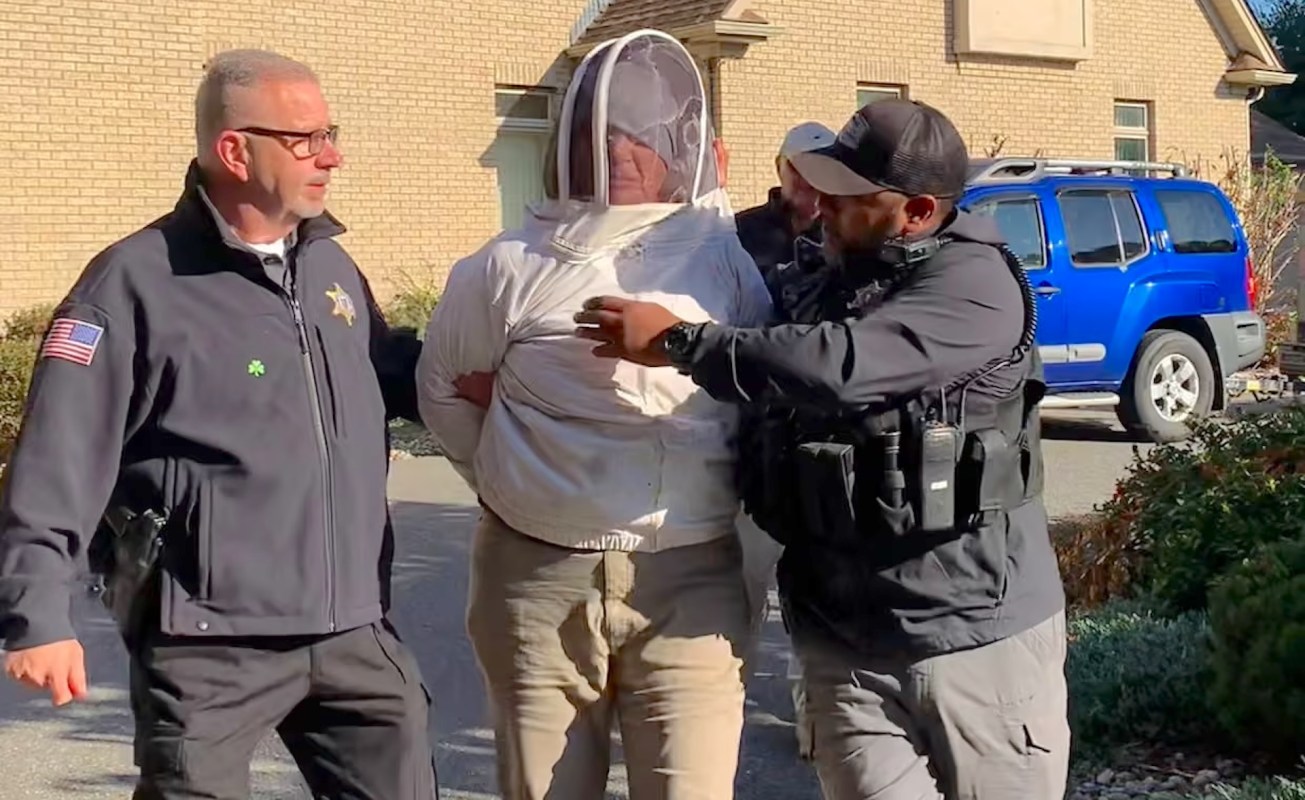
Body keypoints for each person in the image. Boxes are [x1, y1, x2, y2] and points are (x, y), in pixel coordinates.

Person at [574, 98, 1070, 800]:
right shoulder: (821, 275)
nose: (819, 205)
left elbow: (842, 365)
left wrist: (678, 342)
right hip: (841, 644)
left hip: (976, 640)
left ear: (918, 211)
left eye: (844, 196)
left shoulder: (975, 286)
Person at [0, 49, 437, 799]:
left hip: (353, 630)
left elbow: (389, 371)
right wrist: (37, 614)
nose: (332, 155)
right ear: (234, 150)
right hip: (208, 642)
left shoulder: (330, 266)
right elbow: (58, 457)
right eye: (305, 138)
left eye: (330, 132)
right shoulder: (135, 283)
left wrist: (510, 380)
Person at [416, 28, 772, 800]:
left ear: (679, 145)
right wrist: (511, 482)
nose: (616, 150)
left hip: (693, 580)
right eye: (597, 133)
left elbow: (758, 393)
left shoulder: (724, 263)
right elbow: (442, 390)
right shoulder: (507, 264)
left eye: (638, 135)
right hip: (538, 579)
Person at [734, 121, 835, 287]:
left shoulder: (849, 235)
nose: (809, 180)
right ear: (778, 168)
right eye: (798, 168)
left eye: (822, 168)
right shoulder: (738, 233)